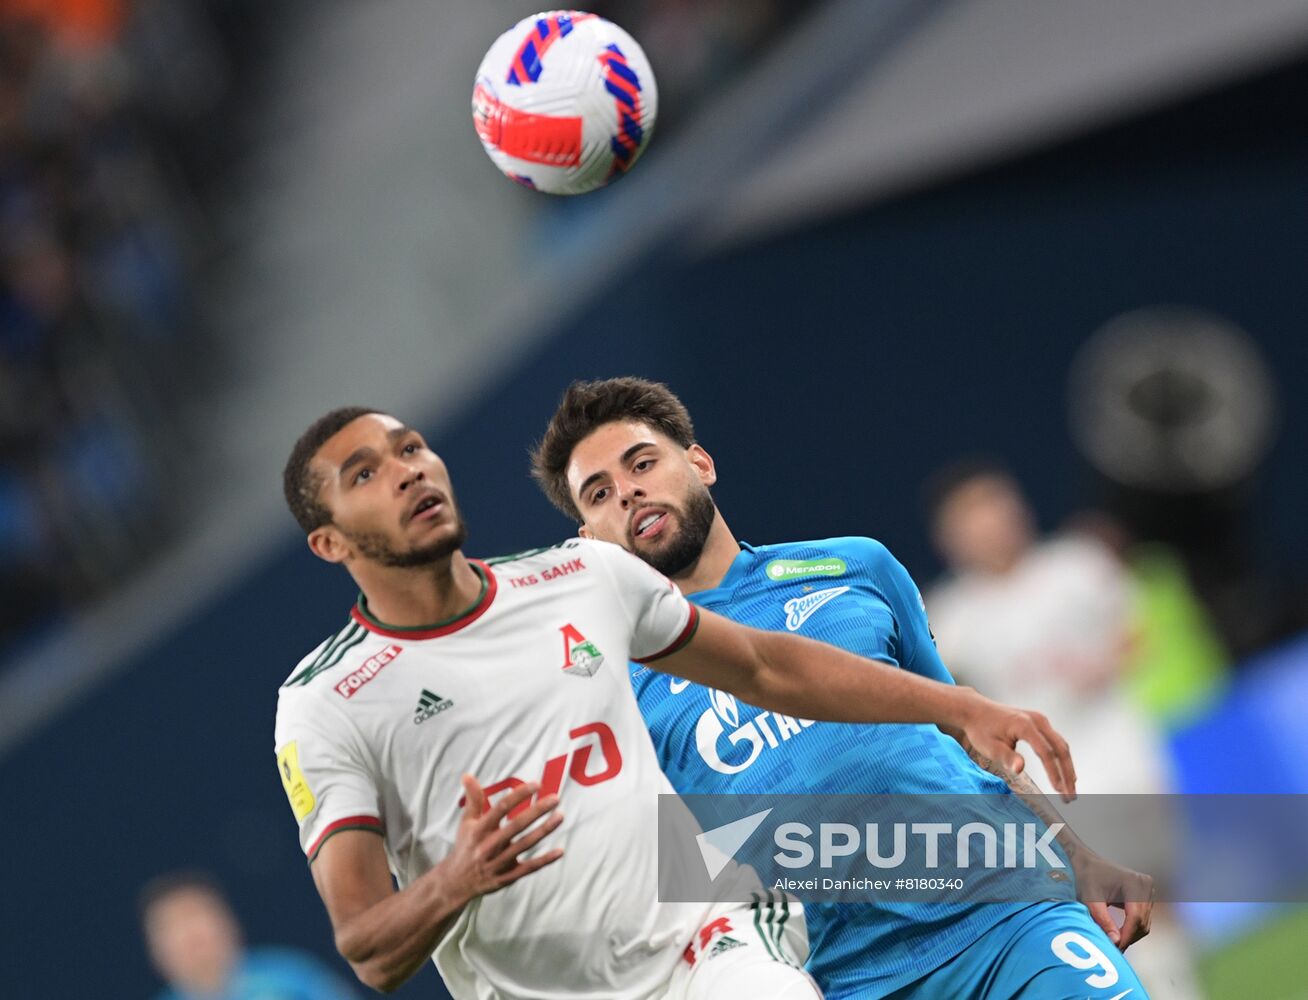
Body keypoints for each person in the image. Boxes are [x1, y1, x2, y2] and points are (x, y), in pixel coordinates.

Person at [273, 407, 1074, 1000]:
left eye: (411, 447)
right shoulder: (326, 705)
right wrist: (457, 877)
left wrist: (961, 707)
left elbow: (766, 665)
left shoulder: (581, 579)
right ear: (329, 542)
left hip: (714, 949)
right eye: (366, 473)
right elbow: (369, 949)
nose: (408, 469)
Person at [531, 377, 1152, 1000]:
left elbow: (974, 742)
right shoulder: (622, 693)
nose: (629, 492)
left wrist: (1078, 855)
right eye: (600, 493)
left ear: (700, 463)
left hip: (1012, 917)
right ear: (589, 543)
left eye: (642, 463)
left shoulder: (857, 567)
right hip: (851, 981)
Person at [924, 459, 1202, 999]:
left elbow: (1136, 626)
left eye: (994, 504)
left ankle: (1182, 987)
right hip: (1048, 790)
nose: (989, 523)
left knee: (1162, 894)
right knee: (1107, 911)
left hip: (1123, 757)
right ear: (950, 535)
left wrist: (1105, 661)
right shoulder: (951, 617)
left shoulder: (1077, 564)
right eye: (971, 515)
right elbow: (947, 707)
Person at [140, 870, 359, 1000]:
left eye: (195, 916)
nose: (189, 934)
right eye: (172, 926)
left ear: (228, 924)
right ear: (155, 951)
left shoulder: (292, 978)